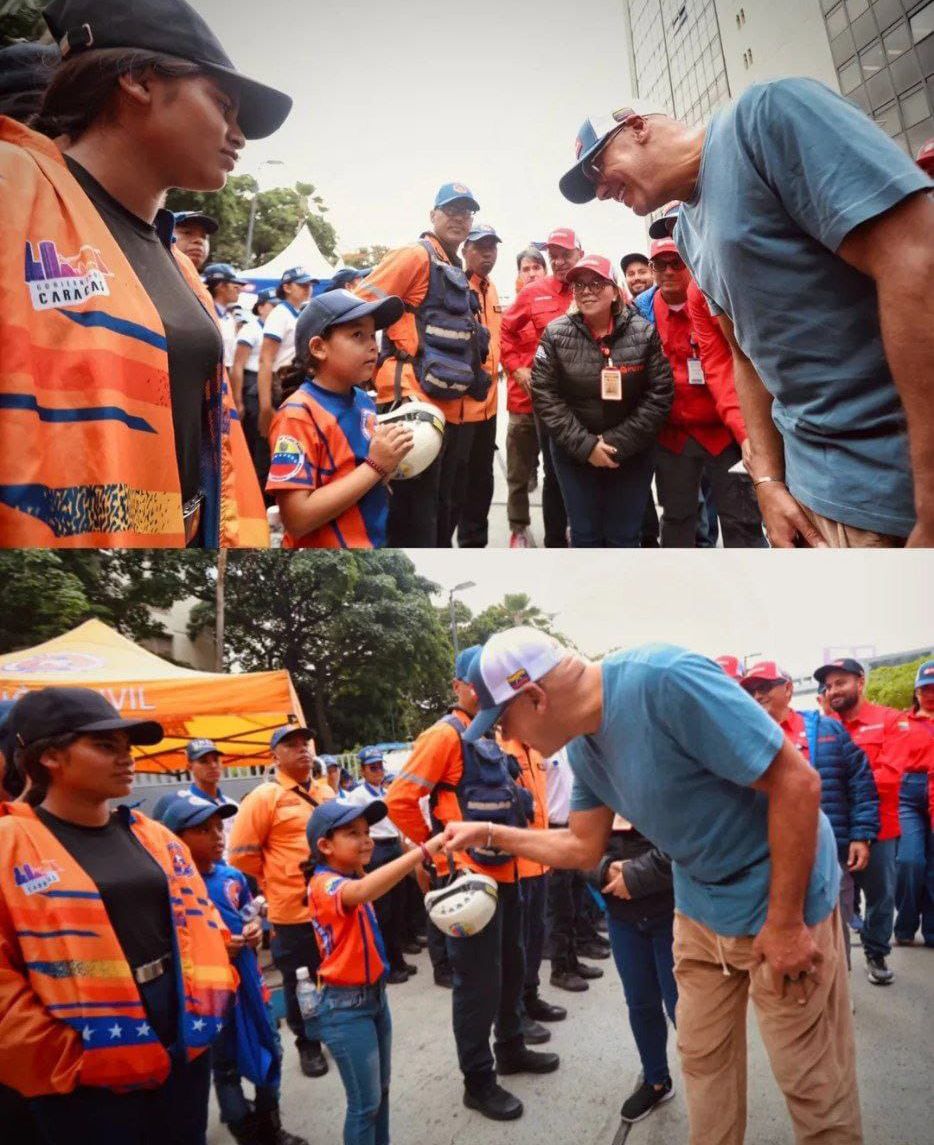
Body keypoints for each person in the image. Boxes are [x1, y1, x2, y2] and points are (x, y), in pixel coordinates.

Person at [445, 626, 861, 1145]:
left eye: (504, 721)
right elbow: (581, 848)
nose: (507, 739)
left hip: (778, 898)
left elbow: (797, 782)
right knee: (702, 1061)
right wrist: (489, 833)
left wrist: (786, 923)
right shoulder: (584, 753)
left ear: (535, 697)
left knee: (810, 1082)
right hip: (699, 905)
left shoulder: (664, 681)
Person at [559, 90, 934, 548]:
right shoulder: (690, 233)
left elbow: (917, 258)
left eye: (597, 168)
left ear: (638, 126)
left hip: (897, 497)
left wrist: (929, 498)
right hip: (812, 497)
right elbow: (744, 356)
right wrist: (770, 482)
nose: (599, 191)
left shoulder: (765, 117)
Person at [0, 0, 288, 547]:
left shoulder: (178, 262)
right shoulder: (13, 187)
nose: (238, 136)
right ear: (137, 78)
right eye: (223, 105)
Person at [0, 687, 237, 1144]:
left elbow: (202, 922)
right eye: (106, 746)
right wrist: (64, 1056)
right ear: (50, 756)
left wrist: (216, 995)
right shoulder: (10, 843)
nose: (127, 759)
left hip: (183, 1038)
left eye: (127, 748)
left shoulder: (154, 836)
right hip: (84, 1065)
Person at [384, 645, 559, 1122]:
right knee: (477, 985)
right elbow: (401, 799)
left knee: (510, 970)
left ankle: (511, 1047)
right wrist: (438, 850)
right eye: (477, 686)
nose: (485, 695)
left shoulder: (495, 732)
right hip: (471, 884)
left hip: (510, 876)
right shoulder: (443, 736)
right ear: (459, 686)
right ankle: (478, 1081)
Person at [155, 791, 307, 1145]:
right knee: (225, 1066)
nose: (217, 835)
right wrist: (212, 948)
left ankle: (271, 1125)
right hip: (210, 995)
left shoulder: (232, 877)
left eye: (217, 827)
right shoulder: (170, 888)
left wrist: (254, 932)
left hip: (250, 985)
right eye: (203, 830)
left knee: (271, 1046)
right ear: (176, 840)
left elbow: (245, 915)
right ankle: (246, 1130)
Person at [354, 183, 492, 547]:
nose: (459, 218)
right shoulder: (413, 255)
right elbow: (357, 308)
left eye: (466, 212)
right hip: (410, 405)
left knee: (441, 515)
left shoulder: (454, 267)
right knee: (413, 520)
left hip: (449, 412)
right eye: (451, 210)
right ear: (433, 215)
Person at [304, 798, 446, 1145]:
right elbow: (362, 892)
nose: (367, 840)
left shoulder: (352, 873)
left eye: (367, 832)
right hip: (345, 1008)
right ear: (324, 845)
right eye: (353, 834)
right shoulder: (324, 884)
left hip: (374, 999)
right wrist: (422, 852)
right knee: (364, 1105)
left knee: (379, 1093)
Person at [740, 660, 879, 969]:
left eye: (765, 687)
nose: (757, 696)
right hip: (768, 853)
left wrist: (861, 835)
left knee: (834, 921)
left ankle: (837, 987)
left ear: (788, 689)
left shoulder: (825, 728)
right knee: (781, 924)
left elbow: (860, 781)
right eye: (751, 690)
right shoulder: (744, 737)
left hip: (830, 851)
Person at [531, 254, 673, 547]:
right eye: (580, 285)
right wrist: (587, 446)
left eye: (596, 283)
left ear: (615, 290)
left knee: (624, 536)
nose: (587, 290)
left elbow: (659, 394)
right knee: (585, 535)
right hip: (574, 454)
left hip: (631, 454)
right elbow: (544, 394)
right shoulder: (555, 334)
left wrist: (612, 443)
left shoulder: (643, 333)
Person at [266, 290, 413, 549]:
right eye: (357, 335)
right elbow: (297, 519)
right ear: (319, 348)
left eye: (372, 336)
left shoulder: (364, 401)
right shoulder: (297, 415)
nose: (372, 346)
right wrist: (376, 466)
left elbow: (363, 474)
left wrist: (390, 460)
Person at [646, 235, 764, 547]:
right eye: (659, 264)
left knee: (743, 520)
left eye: (676, 263)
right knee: (678, 518)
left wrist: (745, 430)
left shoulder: (716, 302)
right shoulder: (640, 312)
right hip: (673, 437)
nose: (668, 271)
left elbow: (732, 365)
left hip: (724, 434)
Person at [228, 724, 329, 1080]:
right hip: (291, 909)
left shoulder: (325, 792)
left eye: (305, 743)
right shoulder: (263, 797)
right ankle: (308, 1044)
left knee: (330, 973)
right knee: (299, 978)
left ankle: (331, 1029)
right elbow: (240, 856)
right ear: (275, 756)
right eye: (291, 745)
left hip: (330, 905)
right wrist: (278, 876)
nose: (302, 750)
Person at [815, 656, 921, 984]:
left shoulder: (893, 721)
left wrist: (842, 782)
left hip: (880, 828)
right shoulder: (820, 727)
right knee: (832, 901)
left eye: (841, 682)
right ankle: (837, 970)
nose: (834, 691)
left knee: (880, 896)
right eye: (829, 685)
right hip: (832, 830)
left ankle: (876, 952)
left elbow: (890, 776)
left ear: (860, 682)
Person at [588, 816, 677, 1124]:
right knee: (640, 1002)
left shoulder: (664, 772)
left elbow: (688, 838)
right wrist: (602, 869)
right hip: (623, 917)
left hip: (674, 913)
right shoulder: (593, 779)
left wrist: (634, 876)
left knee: (687, 1010)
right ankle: (656, 1080)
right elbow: (577, 845)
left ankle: (710, 1088)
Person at [501, 227, 583, 548]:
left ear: (579, 253)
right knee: (552, 470)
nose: (560, 261)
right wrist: (517, 368)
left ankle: (580, 528)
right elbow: (505, 331)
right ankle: (551, 539)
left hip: (588, 401)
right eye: (555, 256)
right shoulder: (533, 294)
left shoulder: (589, 284)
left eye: (565, 254)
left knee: (584, 469)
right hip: (546, 401)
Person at [496, 730, 567, 1044]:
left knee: (536, 934)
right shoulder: (498, 749)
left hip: (539, 859)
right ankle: (515, 1011)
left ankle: (531, 994)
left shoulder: (537, 748)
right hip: (516, 864)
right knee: (516, 944)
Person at [348, 747, 416, 984]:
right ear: (363, 770)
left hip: (393, 847)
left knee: (399, 906)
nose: (378, 771)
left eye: (380, 766)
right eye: (372, 767)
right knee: (382, 911)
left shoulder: (386, 791)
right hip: (375, 849)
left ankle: (398, 959)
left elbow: (395, 822)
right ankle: (386, 964)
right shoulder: (356, 796)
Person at [456, 224, 503, 548]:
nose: (487, 253)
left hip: (488, 409)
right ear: (464, 250)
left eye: (492, 247)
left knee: (482, 484)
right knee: (457, 486)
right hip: (458, 410)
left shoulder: (494, 289)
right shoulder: (454, 288)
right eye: (479, 246)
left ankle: (476, 542)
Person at [894, 660, 934, 947]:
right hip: (907, 793)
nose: (930, 694)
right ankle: (905, 923)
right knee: (909, 861)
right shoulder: (901, 722)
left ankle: (932, 929)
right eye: (925, 689)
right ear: (916, 692)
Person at [257, 267, 315, 437]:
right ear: (287, 287)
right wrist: (265, 406)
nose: (308, 288)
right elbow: (265, 359)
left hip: (296, 379)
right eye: (302, 284)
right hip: (281, 383)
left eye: (309, 284)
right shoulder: (280, 314)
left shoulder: (298, 314)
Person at [232, 286, 278, 484]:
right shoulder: (252, 328)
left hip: (269, 384)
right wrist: (238, 401)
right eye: (271, 305)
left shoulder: (275, 329)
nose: (276, 310)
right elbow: (238, 366)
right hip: (252, 386)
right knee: (257, 439)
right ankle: (254, 485)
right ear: (260, 308)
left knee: (267, 440)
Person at [202, 262, 247, 372]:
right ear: (220, 286)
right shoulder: (204, 313)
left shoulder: (229, 317)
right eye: (235, 286)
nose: (239, 290)